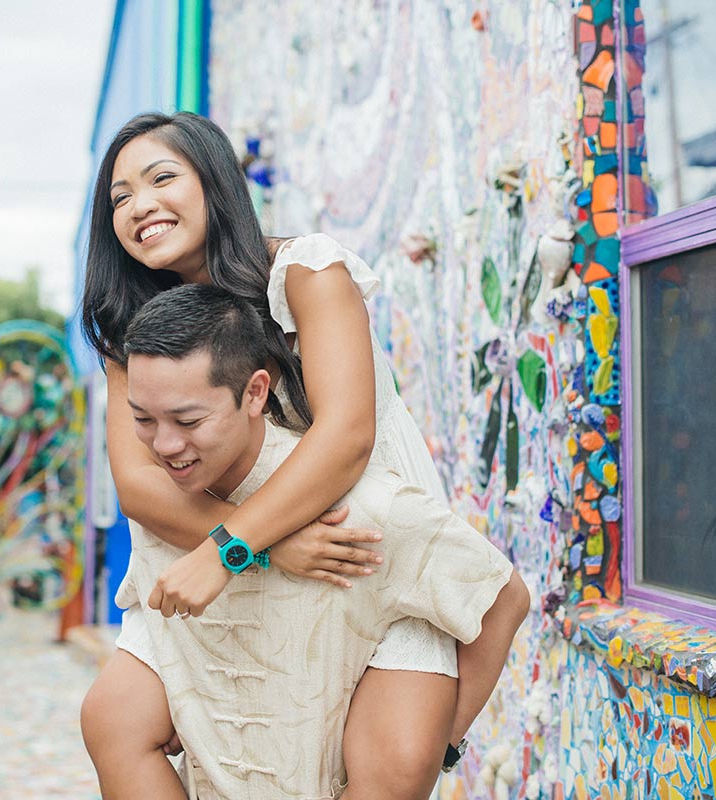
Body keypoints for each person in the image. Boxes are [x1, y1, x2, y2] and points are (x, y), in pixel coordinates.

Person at [79, 111, 530, 798]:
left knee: (392, 763)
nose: (139, 205)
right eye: (119, 197)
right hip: (230, 545)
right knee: (114, 719)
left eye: (161, 178)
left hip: (358, 544)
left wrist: (236, 546)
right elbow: (140, 486)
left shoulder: (306, 272)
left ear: (215, 182)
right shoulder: (137, 331)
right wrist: (256, 548)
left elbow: (346, 436)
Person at [116, 283, 516, 798]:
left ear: (256, 393)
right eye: (143, 420)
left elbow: (503, 599)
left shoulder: (363, 510)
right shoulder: (166, 509)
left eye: (189, 420)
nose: (165, 446)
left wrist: (441, 745)